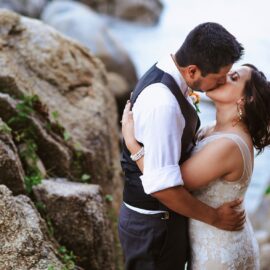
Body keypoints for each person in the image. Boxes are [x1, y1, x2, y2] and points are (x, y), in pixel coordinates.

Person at [119, 22, 245, 270]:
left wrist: (134, 145)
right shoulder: (163, 103)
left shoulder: (171, 74)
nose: (220, 85)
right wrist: (216, 218)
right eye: (218, 79)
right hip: (154, 227)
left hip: (160, 222)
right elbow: (163, 188)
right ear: (192, 71)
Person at [121, 63, 270, 269]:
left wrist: (132, 144)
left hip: (219, 250)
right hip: (211, 238)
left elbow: (168, 185)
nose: (222, 76)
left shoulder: (228, 145)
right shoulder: (213, 130)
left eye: (233, 77)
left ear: (245, 100)